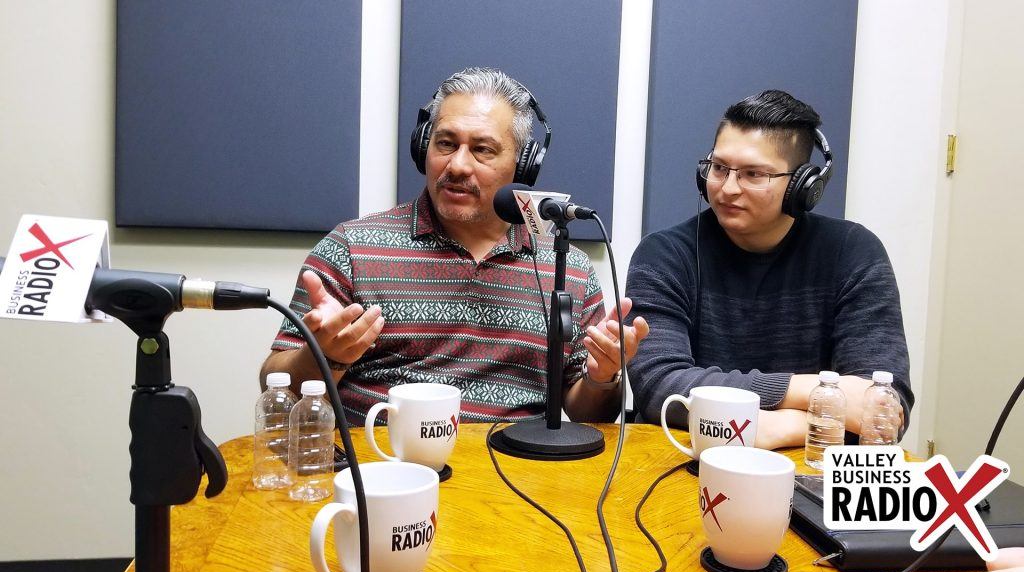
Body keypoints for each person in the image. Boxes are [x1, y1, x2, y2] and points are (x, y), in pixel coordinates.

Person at [261, 67, 648, 425]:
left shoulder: (568, 268)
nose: (458, 165)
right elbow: (275, 383)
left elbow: (587, 413)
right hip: (385, 474)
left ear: (523, 165)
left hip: (515, 482)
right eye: (446, 143)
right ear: (422, 149)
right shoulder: (352, 248)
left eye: (482, 149)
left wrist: (602, 377)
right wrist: (323, 355)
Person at [625, 89, 911, 449]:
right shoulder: (664, 256)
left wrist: (774, 426)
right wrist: (809, 400)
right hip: (686, 463)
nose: (727, 188)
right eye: (719, 168)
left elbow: (883, 409)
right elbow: (660, 385)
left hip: (812, 470)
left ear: (802, 186)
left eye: (753, 174)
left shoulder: (854, 254)